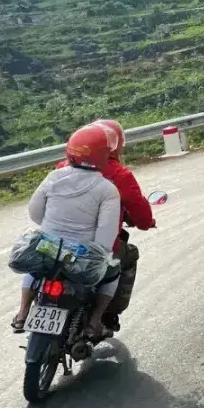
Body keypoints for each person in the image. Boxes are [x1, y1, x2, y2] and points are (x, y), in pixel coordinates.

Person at [12, 124, 122, 339]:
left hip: (48, 247)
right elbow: (105, 238)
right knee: (113, 274)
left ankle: (23, 312)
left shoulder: (54, 177)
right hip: (80, 256)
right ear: (104, 155)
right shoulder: (107, 189)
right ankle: (94, 322)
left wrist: (54, 232)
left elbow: (35, 213)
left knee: (35, 269)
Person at [54, 119, 155, 332]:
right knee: (125, 258)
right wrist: (146, 223)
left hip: (58, 239)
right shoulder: (119, 175)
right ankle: (106, 314)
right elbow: (140, 212)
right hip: (98, 245)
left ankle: (25, 312)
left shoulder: (62, 168)